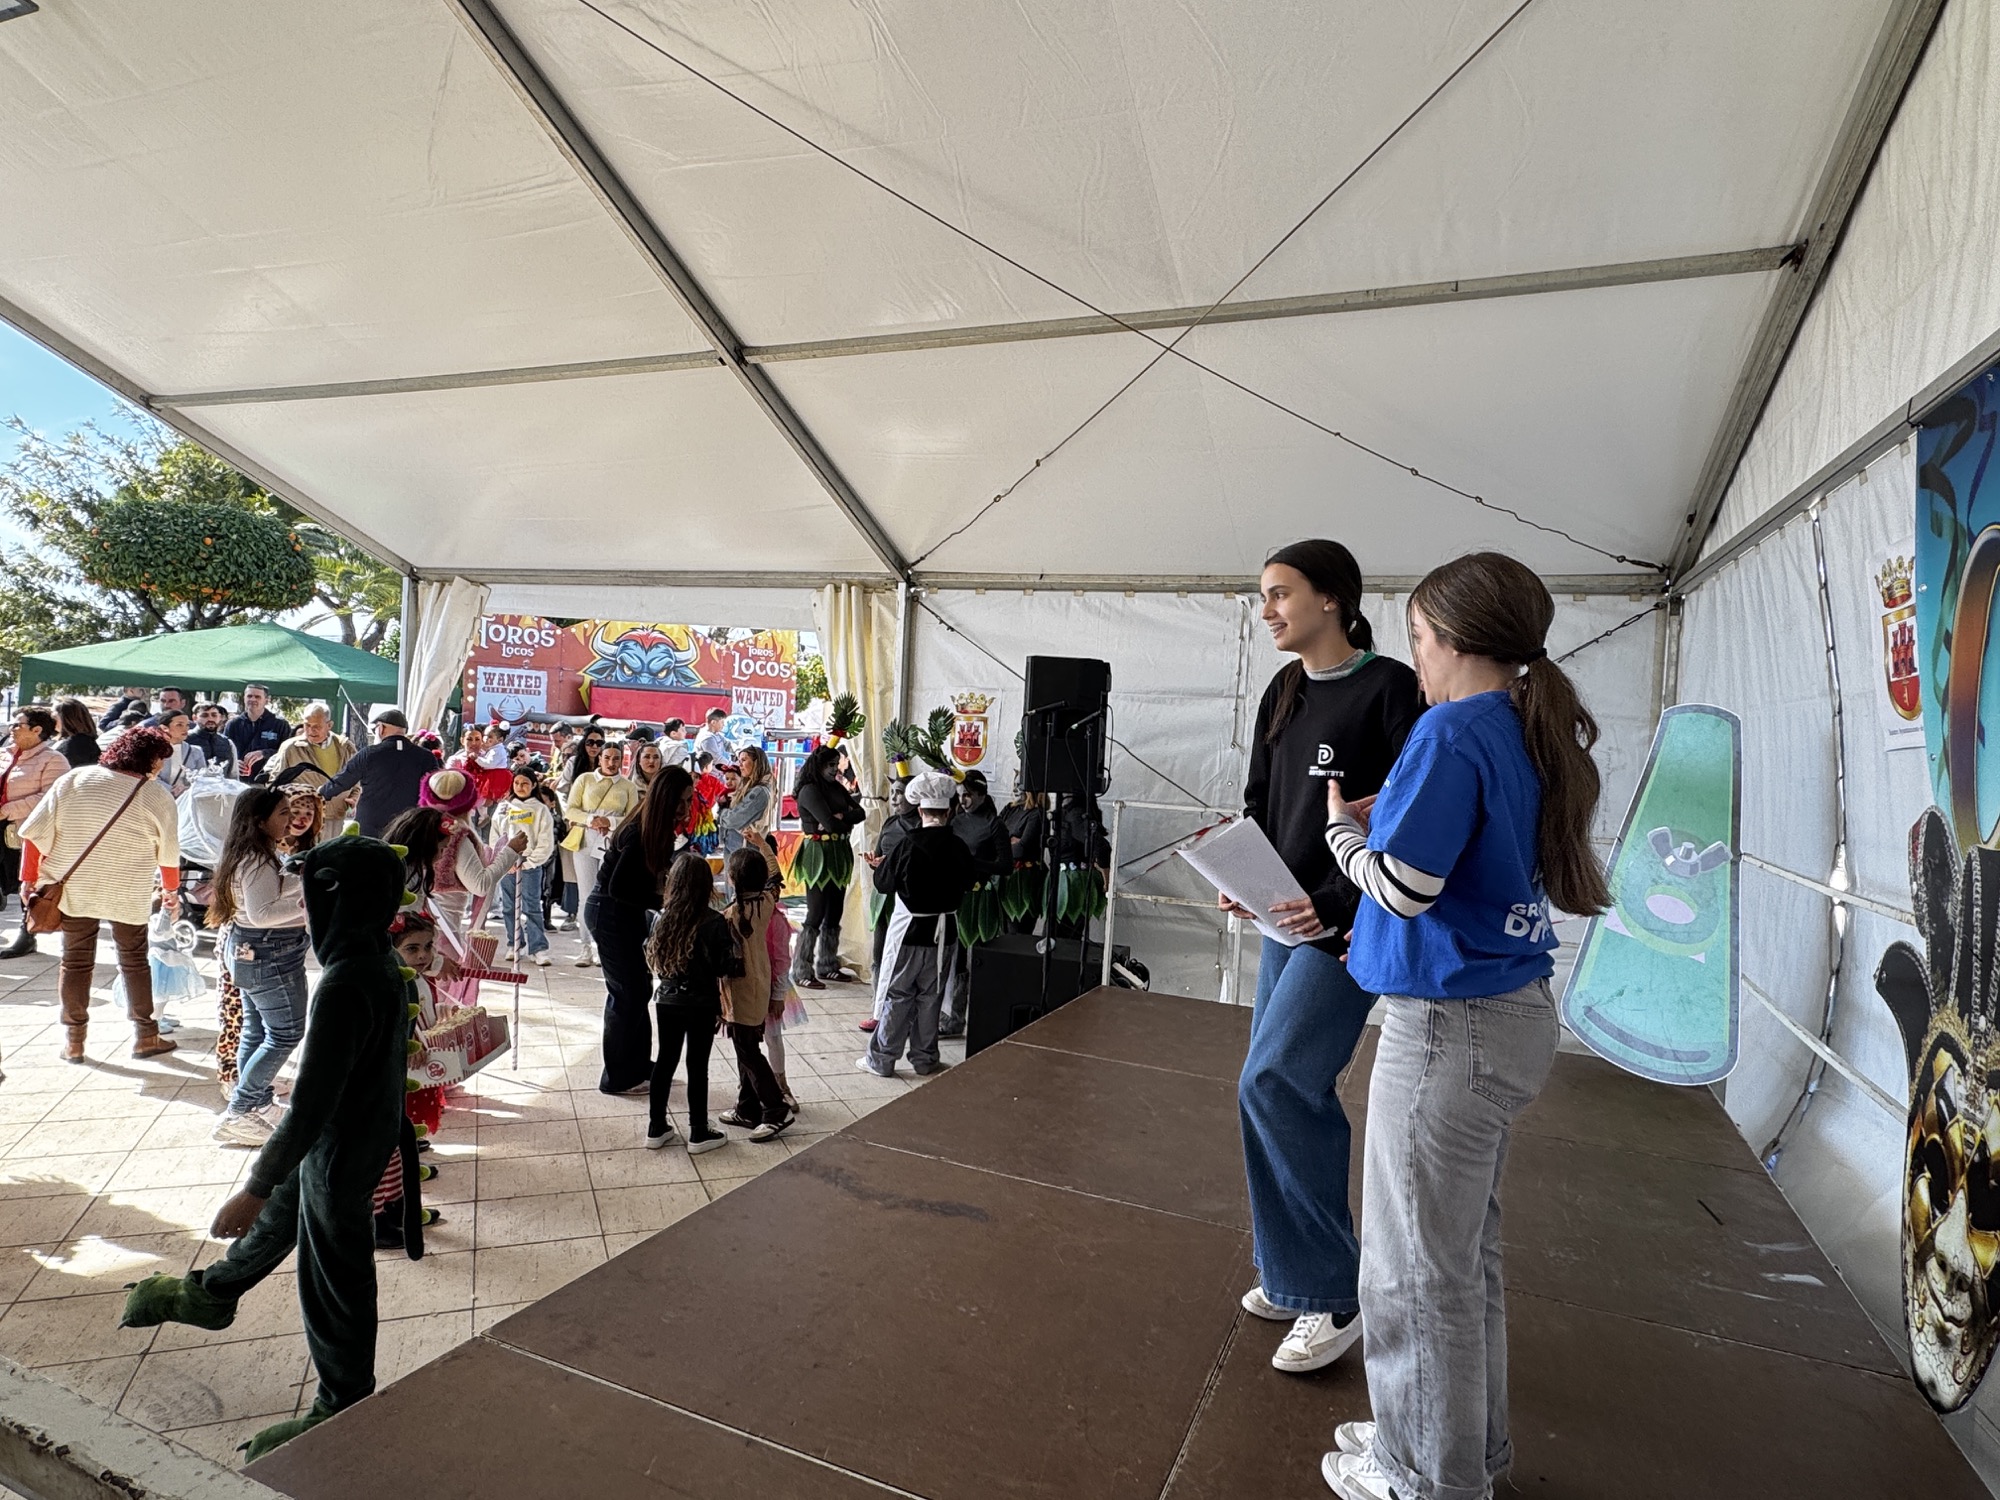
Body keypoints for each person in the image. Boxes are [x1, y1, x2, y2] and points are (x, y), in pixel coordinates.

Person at [1317, 554, 1605, 1500]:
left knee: (1410, 1270)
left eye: (1417, 639)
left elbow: (1405, 889)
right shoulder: (1523, 725)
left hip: (1448, 1027)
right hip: (1505, 1015)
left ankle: (1425, 1477)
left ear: (1447, 638)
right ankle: (1454, 1451)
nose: (1417, 659)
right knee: (1458, 1258)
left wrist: (1343, 834)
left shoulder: (1450, 729)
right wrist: (1393, 821)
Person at [120, 833, 412, 1463]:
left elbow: (309, 1107)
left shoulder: (345, 984)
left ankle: (342, 1401)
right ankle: (212, 1293)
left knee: (334, 1280)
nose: (303, 907)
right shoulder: (377, 959)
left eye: (310, 895)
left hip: (341, 1154)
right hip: (355, 1139)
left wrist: (252, 1187)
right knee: (283, 1218)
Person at [1231, 539, 1424, 1381]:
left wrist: (1340, 904)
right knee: (1267, 1091)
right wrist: (1240, 876)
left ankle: (1335, 1293)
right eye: (1263, 596)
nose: (1267, 609)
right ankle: (1293, 1274)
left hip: (1348, 929)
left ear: (1333, 599)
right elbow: (1259, 803)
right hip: (1282, 919)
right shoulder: (1284, 690)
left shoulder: (1393, 690)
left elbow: (1410, 820)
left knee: (1277, 1082)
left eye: (1281, 593)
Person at [19, 725, 183, 1061]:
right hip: (128, 891)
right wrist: (171, 891)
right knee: (134, 962)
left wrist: (28, 880)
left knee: (75, 962)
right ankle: (146, 1036)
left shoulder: (74, 779)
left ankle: (74, 1042)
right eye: (159, 760)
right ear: (147, 759)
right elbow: (169, 855)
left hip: (74, 889)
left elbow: (34, 834)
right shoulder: (157, 796)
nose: (160, 767)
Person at [209, 788, 312, 1146]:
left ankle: (258, 1104)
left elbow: (271, 895)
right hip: (266, 952)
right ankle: (240, 1110)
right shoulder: (256, 859)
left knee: (256, 1031)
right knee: (285, 1033)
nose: (291, 819)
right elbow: (262, 914)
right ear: (259, 820)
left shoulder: (257, 852)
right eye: (283, 813)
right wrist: (310, 900)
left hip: (253, 951)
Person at [860, 772, 976, 1078]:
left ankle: (882, 1059)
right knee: (930, 998)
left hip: (910, 933)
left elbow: (884, 884)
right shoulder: (959, 846)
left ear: (920, 810)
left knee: (899, 996)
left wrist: (882, 866)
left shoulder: (907, 844)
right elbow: (969, 881)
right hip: (944, 934)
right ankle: (925, 1059)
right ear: (949, 811)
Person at [590, 765, 694, 1095]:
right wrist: (663, 901)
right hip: (610, 913)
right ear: (665, 798)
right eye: (680, 800)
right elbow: (619, 887)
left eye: (689, 800)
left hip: (625, 914)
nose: (685, 807)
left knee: (639, 990)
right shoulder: (639, 832)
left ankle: (637, 1064)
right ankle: (617, 1077)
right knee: (627, 994)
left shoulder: (654, 826)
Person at [384, 770, 526, 934]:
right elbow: (480, 885)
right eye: (442, 850)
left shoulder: (416, 827)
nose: (441, 854)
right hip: (441, 928)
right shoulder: (454, 833)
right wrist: (510, 852)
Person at [714, 845, 791, 1140]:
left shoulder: (729, 916)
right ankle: (747, 1109)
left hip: (739, 997)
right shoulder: (767, 902)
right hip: (761, 989)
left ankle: (776, 1109)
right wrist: (762, 844)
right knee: (745, 1050)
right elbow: (775, 874)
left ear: (732, 879)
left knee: (749, 1054)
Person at [941, 768, 1010, 1036]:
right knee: (956, 959)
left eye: (968, 795)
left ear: (982, 795)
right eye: (960, 795)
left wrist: (972, 863)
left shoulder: (994, 824)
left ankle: (985, 1018)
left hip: (981, 899)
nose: (963, 800)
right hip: (957, 896)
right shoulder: (956, 820)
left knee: (978, 958)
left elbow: (1005, 866)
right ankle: (953, 1018)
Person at [791, 744, 864, 987]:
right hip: (817, 854)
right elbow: (831, 824)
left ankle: (827, 964)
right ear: (819, 765)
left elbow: (860, 813)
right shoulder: (809, 791)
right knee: (816, 912)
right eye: (830, 765)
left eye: (836, 764)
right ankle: (802, 969)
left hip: (838, 853)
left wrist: (841, 819)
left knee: (835, 912)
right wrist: (840, 820)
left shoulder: (837, 787)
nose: (835, 769)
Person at [563, 741, 637, 966]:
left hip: (612, 842)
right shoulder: (584, 779)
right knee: (586, 895)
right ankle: (585, 946)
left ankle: (602, 947)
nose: (611, 762)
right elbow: (571, 810)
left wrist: (610, 822)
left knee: (607, 893)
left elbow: (632, 817)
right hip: (585, 839)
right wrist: (591, 820)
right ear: (599, 758)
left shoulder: (628, 786)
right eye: (607, 758)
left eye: (616, 758)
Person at [0, 706, 65, 959]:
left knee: (25, 881)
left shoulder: (53, 760)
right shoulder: (5, 753)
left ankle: (26, 933)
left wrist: (7, 810)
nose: (12, 729)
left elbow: (49, 797)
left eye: (18, 725)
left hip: (25, 830)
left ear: (37, 730)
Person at [315, 708, 440, 838]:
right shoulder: (427, 757)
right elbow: (436, 790)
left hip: (371, 828)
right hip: (409, 827)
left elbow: (342, 781)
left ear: (381, 728)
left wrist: (320, 794)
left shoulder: (369, 754)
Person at [492, 769, 555, 966]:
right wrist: (503, 860)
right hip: (508, 862)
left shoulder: (540, 809)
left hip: (530, 863)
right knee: (509, 906)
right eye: (517, 783)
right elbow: (495, 835)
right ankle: (514, 943)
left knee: (531, 905)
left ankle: (538, 948)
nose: (520, 787)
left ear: (533, 785)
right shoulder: (504, 808)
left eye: (525, 783)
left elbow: (545, 841)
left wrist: (530, 862)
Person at [269, 704, 358, 824]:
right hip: (303, 819)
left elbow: (357, 778)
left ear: (329, 725)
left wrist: (354, 798)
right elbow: (275, 782)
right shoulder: (291, 748)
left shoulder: (345, 747)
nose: (311, 730)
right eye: (307, 725)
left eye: (317, 726)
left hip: (337, 817)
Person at [715, 745, 776, 858]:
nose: (740, 765)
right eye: (739, 761)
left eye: (743, 760)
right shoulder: (750, 787)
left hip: (744, 848)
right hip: (737, 845)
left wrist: (720, 814)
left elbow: (735, 819)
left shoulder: (759, 792)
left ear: (756, 763)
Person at [224, 683, 291, 778]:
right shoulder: (233, 724)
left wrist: (264, 753)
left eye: (257, 697)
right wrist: (233, 763)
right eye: (249, 696)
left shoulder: (280, 724)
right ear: (244, 698)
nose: (252, 699)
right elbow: (224, 751)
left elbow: (288, 753)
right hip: (238, 780)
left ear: (266, 700)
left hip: (268, 779)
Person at [155, 708, 207, 795]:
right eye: (179, 725)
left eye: (187, 725)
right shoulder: (153, 750)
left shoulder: (195, 751)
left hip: (187, 797)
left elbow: (202, 778)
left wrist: (187, 789)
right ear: (164, 728)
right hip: (159, 796)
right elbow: (149, 777)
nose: (185, 729)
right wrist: (171, 789)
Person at [188, 703, 240, 777]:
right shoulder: (185, 740)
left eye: (214, 715)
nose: (210, 719)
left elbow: (233, 775)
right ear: (195, 718)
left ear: (220, 717)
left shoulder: (228, 743)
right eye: (204, 715)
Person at [52, 699, 100, 769]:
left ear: (66, 719)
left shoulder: (74, 746)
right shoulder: (87, 742)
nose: (52, 721)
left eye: (54, 717)